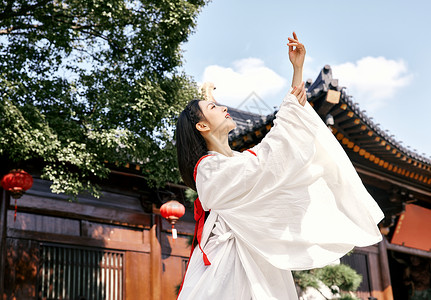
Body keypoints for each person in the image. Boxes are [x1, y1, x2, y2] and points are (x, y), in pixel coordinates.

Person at [175, 32, 384, 300]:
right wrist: (290, 105)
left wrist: (297, 70)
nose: (224, 107)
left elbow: (275, 163)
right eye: (214, 106)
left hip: (260, 260)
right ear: (202, 126)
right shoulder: (208, 170)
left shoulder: (237, 162)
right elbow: (268, 162)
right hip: (228, 263)